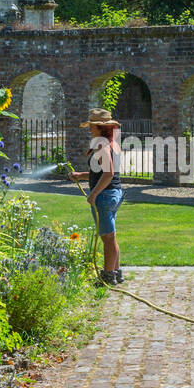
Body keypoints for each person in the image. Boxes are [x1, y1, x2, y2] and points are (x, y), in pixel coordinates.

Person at [69, 108, 124, 284]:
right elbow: (101, 172)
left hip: (105, 196)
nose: (89, 129)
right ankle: (116, 272)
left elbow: (108, 174)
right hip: (114, 193)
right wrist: (80, 176)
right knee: (111, 236)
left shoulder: (101, 144)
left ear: (101, 127)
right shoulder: (110, 143)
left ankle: (108, 277)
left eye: (92, 126)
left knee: (107, 238)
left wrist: (94, 193)